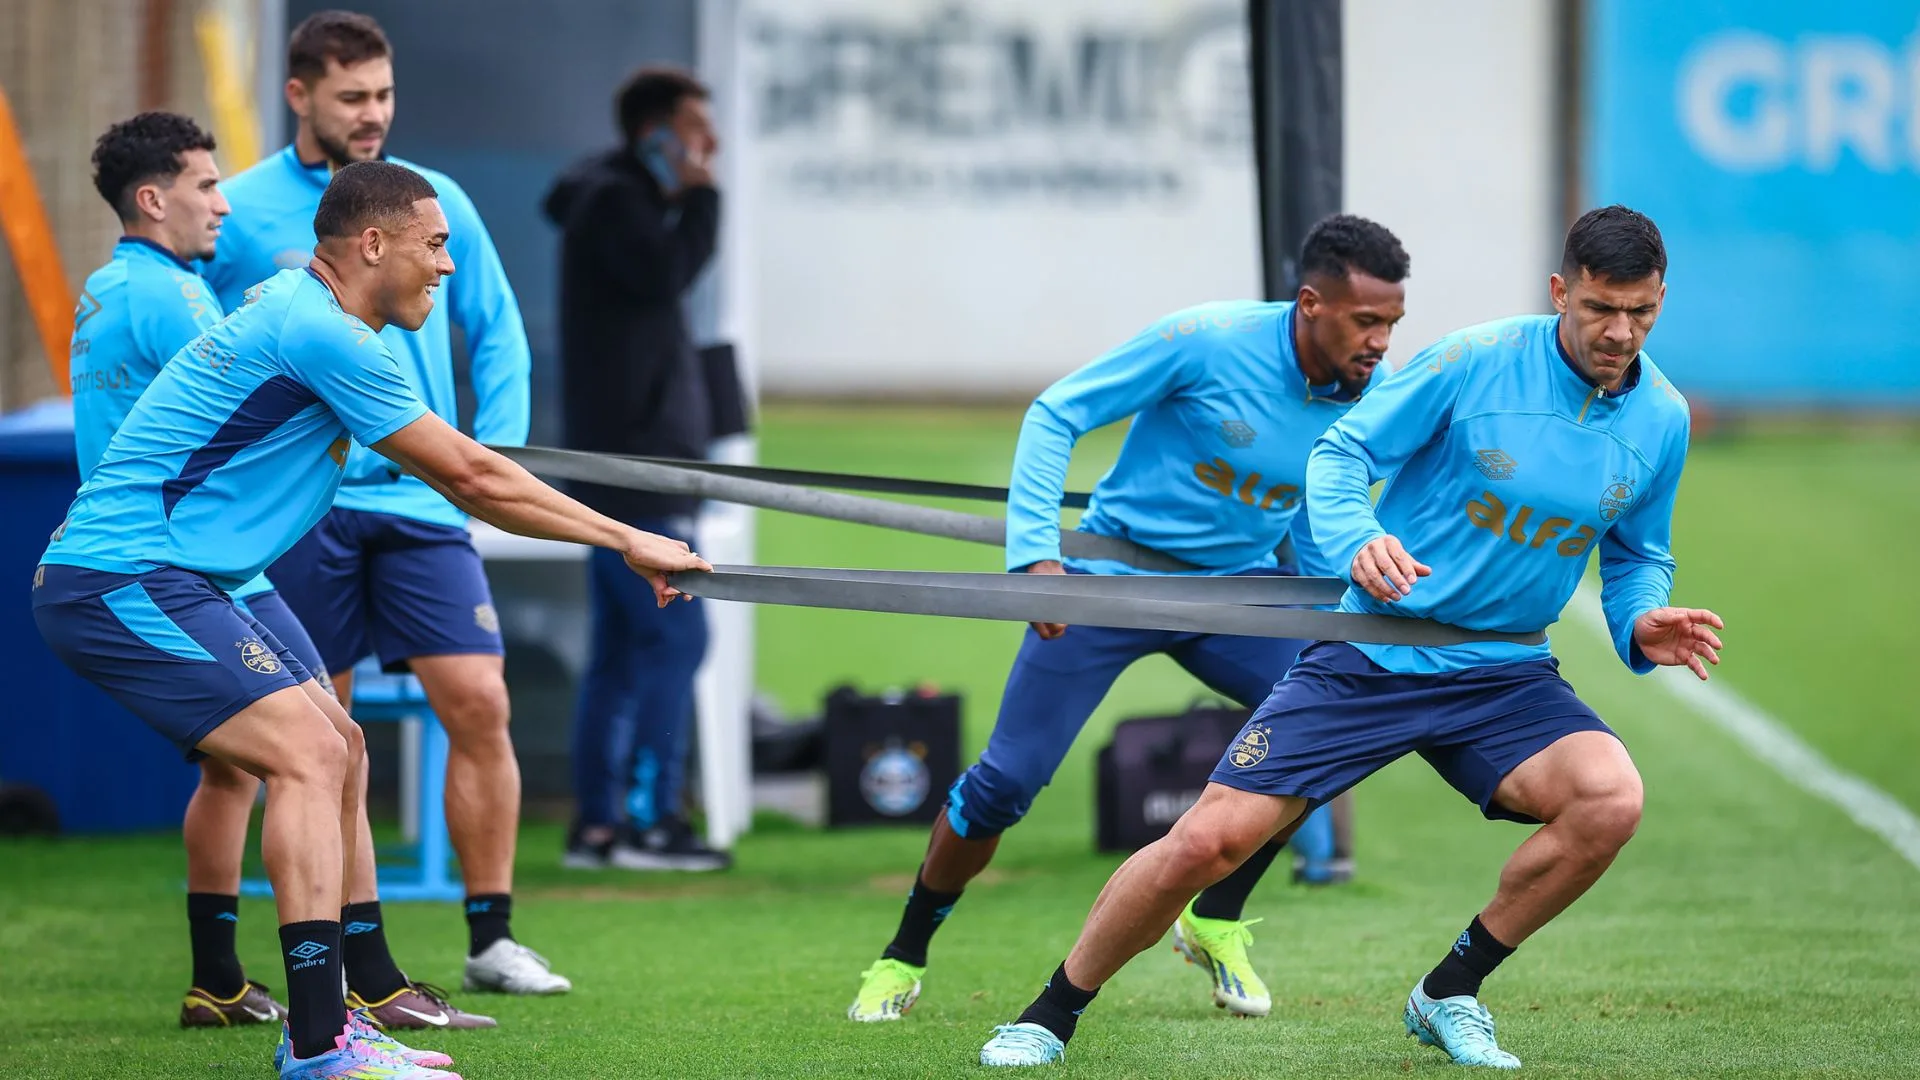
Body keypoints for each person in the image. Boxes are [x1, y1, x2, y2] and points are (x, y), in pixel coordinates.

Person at [976, 205, 1727, 1070]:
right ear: (1561, 292)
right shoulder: (1473, 360)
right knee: (1210, 842)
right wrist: (1357, 538)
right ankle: (1049, 1016)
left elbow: (1639, 554)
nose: (1620, 332)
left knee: (1609, 798)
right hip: (1375, 649)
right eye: (1600, 308)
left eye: (1641, 312)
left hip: (1504, 668)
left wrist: (1639, 616)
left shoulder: (1663, 417)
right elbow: (1340, 454)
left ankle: (1449, 991)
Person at [35, 160, 709, 1080]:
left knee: (339, 746)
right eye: (435, 245)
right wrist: (628, 537)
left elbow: (465, 465)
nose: (448, 266)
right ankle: (319, 1043)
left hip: (185, 575)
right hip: (124, 578)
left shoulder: (310, 311)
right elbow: (471, 476)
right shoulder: (323, 332)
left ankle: (345, 1013)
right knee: (308, 755)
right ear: (374, 244)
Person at [847, 215, 1412, 1023]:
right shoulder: (1206, 341)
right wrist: (1036, 559)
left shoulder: (1378, 394)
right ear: (1311, 303)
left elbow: (1322, 505)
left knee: (1328, 732)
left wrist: (1337, 600)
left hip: (1235, 597)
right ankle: (902, 955)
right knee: (1005, 784)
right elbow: (1056, 412)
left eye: (1391, 323)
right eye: (1365, 321)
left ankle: (1214, 918)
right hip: (1109, 587)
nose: (1380, 342)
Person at [202, 10, 554, 1012]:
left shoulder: (434, 202)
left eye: (385, 94)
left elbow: (498, 330)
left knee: (480, 701)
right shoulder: (239, 211)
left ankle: (492, 938)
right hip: (304, 512)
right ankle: (362, 971)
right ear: (299, 95)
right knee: (327, 733)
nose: (373, 113)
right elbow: (204, 351)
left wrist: (494, 458)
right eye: (352, 96)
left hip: (427, 497)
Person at [73, 110, 308, 1028]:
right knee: (323, 754)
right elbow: (245, 403)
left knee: (240, 771)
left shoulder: (110, 286)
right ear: (151, 198)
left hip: (180, 564)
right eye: (206, 185)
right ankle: (349, 986)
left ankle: (220, 981)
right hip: (191, 568)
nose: (223, 204)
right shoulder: (172, 296)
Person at [543, 66, 728, 872]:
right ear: (655, 137)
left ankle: (600, 826)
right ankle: (650, 824)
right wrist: (704, 199)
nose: (710, 147)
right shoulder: (615, 203)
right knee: (675, 636)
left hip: (633, 464)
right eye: (695, 131)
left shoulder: (618, 201)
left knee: (625, 649)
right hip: (634, 471)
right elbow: (666, 273)